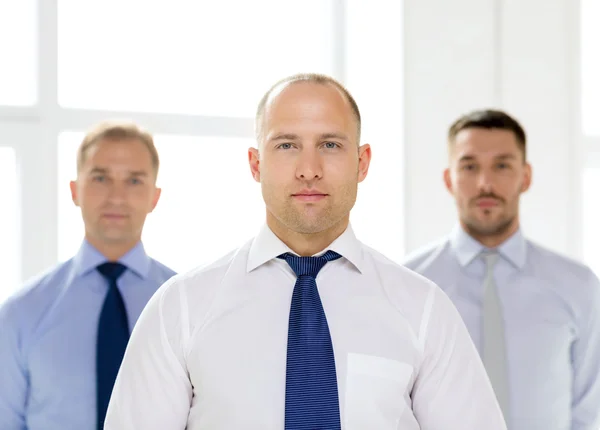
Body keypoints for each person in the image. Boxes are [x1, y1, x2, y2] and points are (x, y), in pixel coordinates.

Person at [104, 74, 505, 430]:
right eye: (287, 145)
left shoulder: (424, 310)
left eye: (330, 144)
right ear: (255, 164)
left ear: (361, 162)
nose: (308, 168)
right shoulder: (180, 309)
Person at [403, 109, 600, 430]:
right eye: (469, 166)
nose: (485, 184)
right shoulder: (410, 283)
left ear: (526, 176)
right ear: (448, 178)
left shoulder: (578, 286)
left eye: (502, 165)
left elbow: (588, 410)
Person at [0, 121, 176, 430]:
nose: (116, 197)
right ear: (74, 191)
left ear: (155, 197)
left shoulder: (185, 307)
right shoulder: (20, 314)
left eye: (134, 181)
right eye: (100, 178)